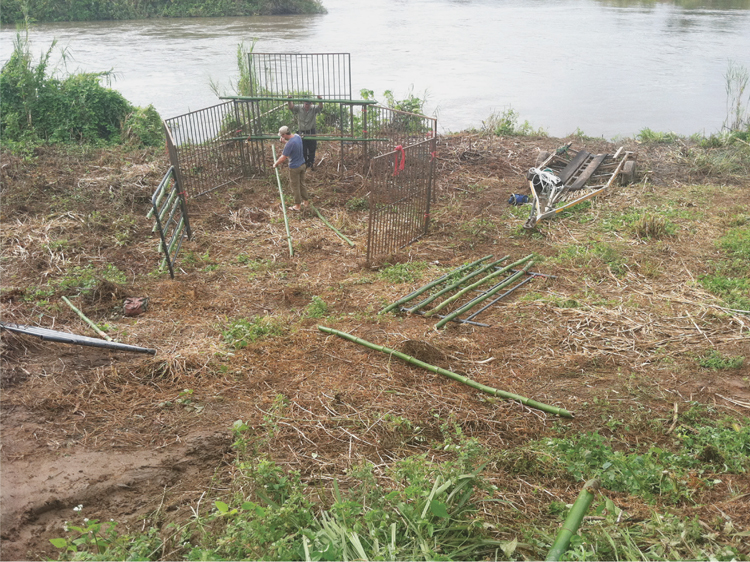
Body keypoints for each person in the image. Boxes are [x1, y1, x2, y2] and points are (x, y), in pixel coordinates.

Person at [273, 125, 308, 211]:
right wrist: (286, 142)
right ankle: (306, 201)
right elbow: (294, 146)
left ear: (284, 134)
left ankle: (297, 206)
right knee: (302, 184)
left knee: (295, 186)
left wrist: (275, 164)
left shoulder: (289, 144)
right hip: (302, 165)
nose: (281, 136)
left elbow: (283, 157)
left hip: (294, 168)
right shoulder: (297, 137)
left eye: (282, 135)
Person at [288, 95, 324, 169]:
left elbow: (320, 107)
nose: (307, 106)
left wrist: (320, 99)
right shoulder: (299, 107)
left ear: (311, 103)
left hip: (311, 131)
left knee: (312, 148)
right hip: (302, 132)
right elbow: (291, 107)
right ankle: (304, 164)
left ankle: (310, 164)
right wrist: (289, 100)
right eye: (306, 104)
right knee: (302, 149)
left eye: (308, 104)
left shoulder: (313, 108)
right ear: (304, 103)